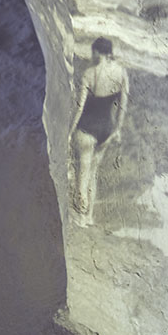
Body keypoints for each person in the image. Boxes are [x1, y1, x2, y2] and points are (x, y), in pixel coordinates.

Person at [70, 37, 129, 226]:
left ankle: (80, 216)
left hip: (87, 127)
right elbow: (122, 107)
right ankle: (90, 216)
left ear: (96, 52)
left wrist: (70, 131)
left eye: (92, 51)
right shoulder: (121, 73)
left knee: (83, 173)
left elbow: (80, 106)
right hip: (106, 129)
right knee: (93, 173)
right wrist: (117, 130)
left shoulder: (89, 73)